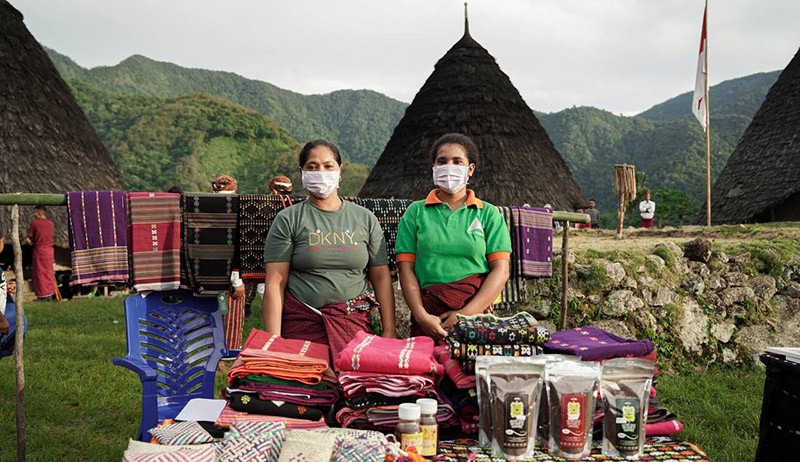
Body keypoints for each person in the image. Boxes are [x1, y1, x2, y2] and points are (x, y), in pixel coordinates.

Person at [262, 139, 396, 363]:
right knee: (307, 393)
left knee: (355, 392)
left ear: (340, 171)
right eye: (312, 167)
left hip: (353, 325)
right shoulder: (288, 219)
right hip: (303, 323)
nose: (320, 172)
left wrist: (389, 330)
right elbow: (275, 282)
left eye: (328, 166)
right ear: (302, 173)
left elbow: (381, 277)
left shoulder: (365, 219)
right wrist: (274, 342)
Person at [395, 133, 511, 340]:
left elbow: (500, 271)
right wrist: (421, 316)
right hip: (429, 315)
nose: (449, 167)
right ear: (434, 168)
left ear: (470, 169)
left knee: (470, 371)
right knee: (427, 370)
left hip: (476, 315)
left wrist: (466, 314)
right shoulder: (415, 212)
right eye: (442, 161)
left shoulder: (488, 214)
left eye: (457, 161)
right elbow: (406, 270)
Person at [211, 175, 245, 349]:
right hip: (229, 275)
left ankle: (217, 353)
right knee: (229, 316)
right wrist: (237, 279)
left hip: (209, 273)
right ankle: (225, 355)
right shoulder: (236, 209)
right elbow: (236, 246)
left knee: (216, 314)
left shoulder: (206, 208)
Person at [25, 206, 56, 301]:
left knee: (40, 273)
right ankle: (50, 293)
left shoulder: (35, 223)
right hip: (49, 251)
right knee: (49, 272)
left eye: (35, 213)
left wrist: (29, 241)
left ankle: (42, 295)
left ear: (39, 213)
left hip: (40, 250)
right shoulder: (51, 224)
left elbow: (29, 239)